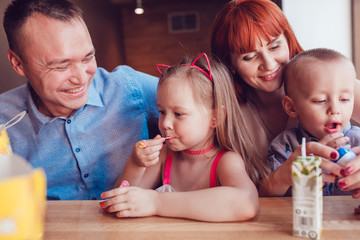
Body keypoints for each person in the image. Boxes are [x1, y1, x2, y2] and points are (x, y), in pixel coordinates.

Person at [0, 0, 159, 200]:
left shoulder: (129, 87)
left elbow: (204, 104)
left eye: (87, 58)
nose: (82, 79)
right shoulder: (4, 120)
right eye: (61, 66)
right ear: (18, 64)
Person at [211, 0, 360, 198]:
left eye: (275, 46)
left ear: (288, 39)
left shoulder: (337, 83)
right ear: (230, 64)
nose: (269, 63)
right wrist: (280, 178)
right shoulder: (230, 116)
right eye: (249, 57)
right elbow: (241, 196)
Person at [100, 53, 263, 222]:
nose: (165, 123)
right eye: (162, 112)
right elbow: (122, 204)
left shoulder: (226, 161)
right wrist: (136, 164)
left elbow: (247, 203)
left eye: (179, 114)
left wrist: (156, 202)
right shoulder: (164, 156)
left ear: (216, 118)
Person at [268, 48, 360, 196]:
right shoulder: (286, 145)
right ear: (291, 107)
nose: (334, 109)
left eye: (344, 99)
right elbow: (272, 197)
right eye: (320, 100)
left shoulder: (357, 141)